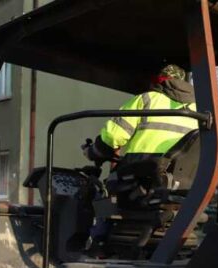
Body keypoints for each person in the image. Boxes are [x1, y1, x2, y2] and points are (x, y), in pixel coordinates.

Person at [83, 64, 199, 254]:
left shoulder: (146, 100)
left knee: (100, 191)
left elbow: (112, 138)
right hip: (184, 188)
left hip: (142, 183)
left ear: (160, 79)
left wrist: (93, 151)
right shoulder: (200, 110)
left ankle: (97, 243)